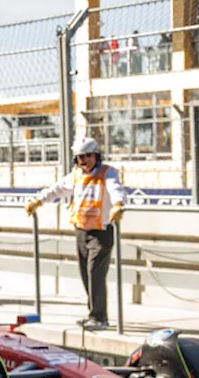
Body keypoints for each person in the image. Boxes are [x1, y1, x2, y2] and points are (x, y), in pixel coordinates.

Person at [25, 137, 127, 331]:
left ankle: (99, 317)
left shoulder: (107, 172)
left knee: (95, 272)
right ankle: (94, 313)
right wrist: (38, 200)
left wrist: (118, 205)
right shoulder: (76, 175)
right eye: (81, 157)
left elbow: (115, 189)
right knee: (85, 274)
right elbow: (58, 189)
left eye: (88, 156)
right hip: (81, 230)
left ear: (96, 156)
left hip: (101, 231)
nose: (84, 160)